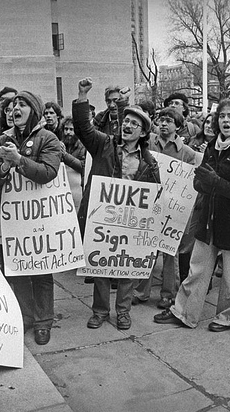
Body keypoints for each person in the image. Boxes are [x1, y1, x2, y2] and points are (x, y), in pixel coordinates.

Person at [154, 98, 230, 332]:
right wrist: (201, 183)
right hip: (208, 217)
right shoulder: (214, 146)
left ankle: (229, 317)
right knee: (198, 269)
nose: (225, 120)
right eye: (222, 116)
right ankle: (184, 312)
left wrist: (214, 182)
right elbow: (199, 181)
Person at [72, 78, 160, 331]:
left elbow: (154, 193)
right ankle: (100, 311)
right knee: (100, 265)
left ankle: (123, 311)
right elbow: (83, 129)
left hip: (130, 222)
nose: (128, 125)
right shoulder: (104, 145)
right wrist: (82, 96)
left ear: (143, 133)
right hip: (103, 218)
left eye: (135, 123)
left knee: (126, 268)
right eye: (127, 121)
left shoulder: (149, 162)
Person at [0, 90, 64, 344]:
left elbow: (48, 172)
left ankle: (43, 322)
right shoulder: (2, 140)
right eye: (12, 106)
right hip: (12, 218)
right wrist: (6, 165)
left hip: (38, 218)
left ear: (34, 110)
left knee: (40, 270)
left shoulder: (47, 138)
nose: (14, 110)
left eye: (21, 105)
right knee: (15, 268)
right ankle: (25, 316)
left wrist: (19, 160)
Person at [133, 106, 198, 309]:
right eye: (161, 120)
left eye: (168, 120)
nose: (163, 123)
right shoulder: (148, 144)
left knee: (170, 253)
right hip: (150, 204)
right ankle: (141, 291)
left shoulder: (187, 153)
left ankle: (168, 294)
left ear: (178, 126)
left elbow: (190, 184)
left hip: (173, 208)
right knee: (147, 249)